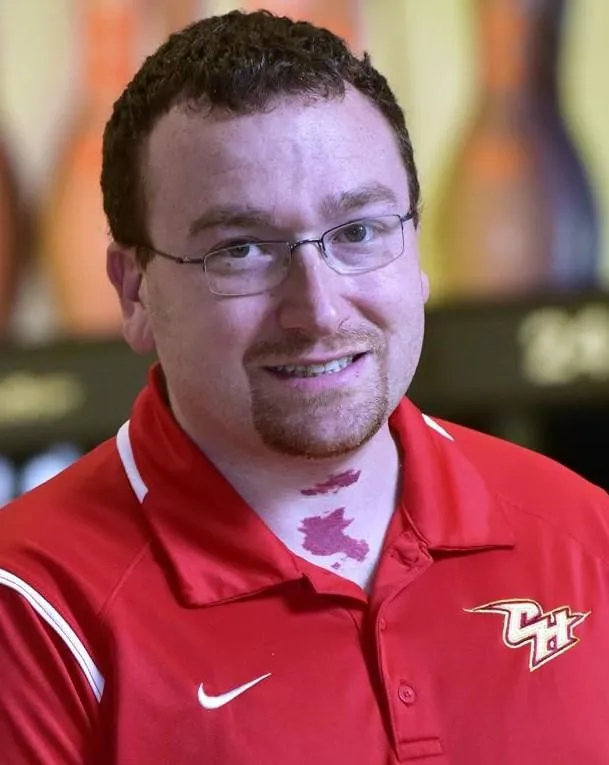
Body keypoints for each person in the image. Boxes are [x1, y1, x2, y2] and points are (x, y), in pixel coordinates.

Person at [0, 9, 607, 764]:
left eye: (357, 231)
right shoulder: (29, 609)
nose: (317, 309)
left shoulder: (584, 532)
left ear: (416, 250)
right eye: (243, 250)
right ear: (134, 293)